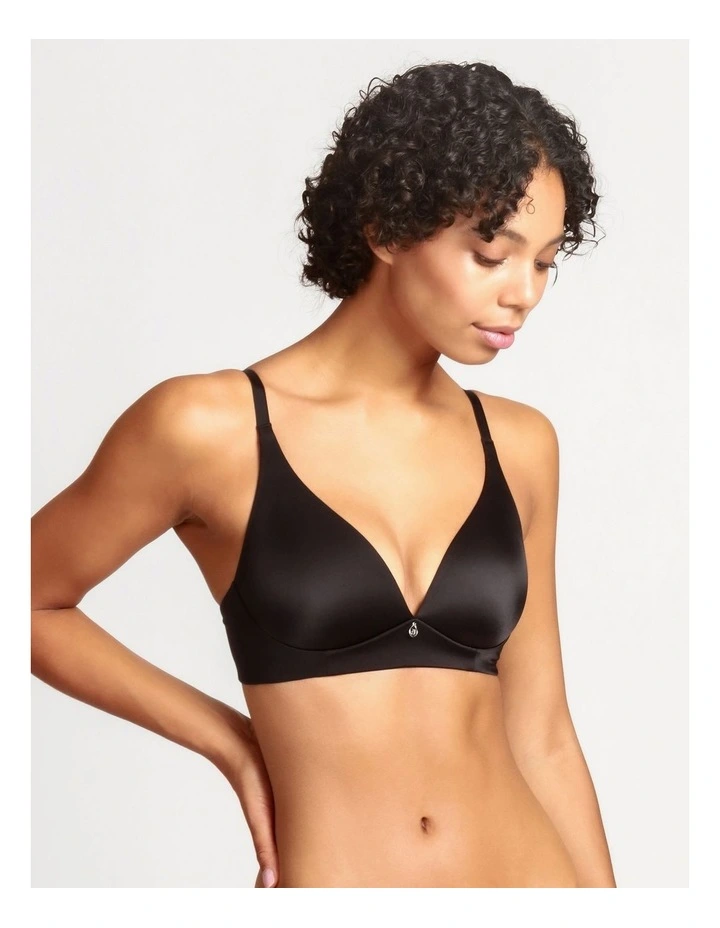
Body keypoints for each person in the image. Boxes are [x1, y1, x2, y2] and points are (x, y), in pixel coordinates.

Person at [31, 59, 616, 888]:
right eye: (492, 254)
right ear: (386, 230)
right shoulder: (208, 429)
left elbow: (544, 735)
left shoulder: (520, 446)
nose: (524, 293)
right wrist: (230, 742)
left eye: (547, 262)